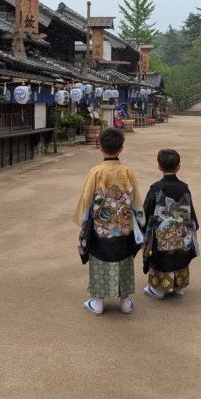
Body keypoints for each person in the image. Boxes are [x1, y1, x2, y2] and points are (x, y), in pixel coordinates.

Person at [73, 128, 145, 316]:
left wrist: (83, 223)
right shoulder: (127, 172)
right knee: (124, 261)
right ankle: (125, 302)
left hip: (101, 229)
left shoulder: (95, 172)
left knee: (99, 262)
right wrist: (140, 221)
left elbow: (87, 199)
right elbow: (136, 200)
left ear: (100, 148)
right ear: (121, 149)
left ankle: (97, 302)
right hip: (124, 227)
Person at [142, 149, 199, 300]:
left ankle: (159, 290)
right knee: (181, 254)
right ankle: (178, 288)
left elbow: (146, 211)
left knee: (162, 256)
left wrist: (143, 228)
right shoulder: (184, 187)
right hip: (182, 232)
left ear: (159, 167)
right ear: (178, 167)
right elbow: (190, 211)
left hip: (163, 233)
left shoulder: (156, 188)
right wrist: (193, 227)